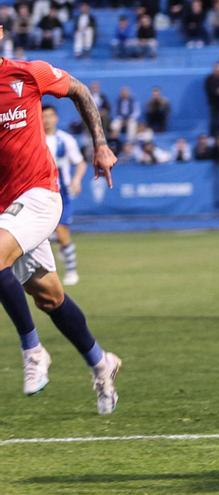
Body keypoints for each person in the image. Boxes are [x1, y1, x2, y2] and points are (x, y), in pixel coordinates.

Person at [0, 29, 122, 414]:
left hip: (40, 194)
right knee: (50, 297)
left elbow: (80, 91)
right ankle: (102, 364)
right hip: (7, 210)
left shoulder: (28, 74)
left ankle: (33, 350)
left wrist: (99, 144)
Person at [43, 106, 85, 286]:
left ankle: (71, 270)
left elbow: (80, 162)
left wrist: (76, 180)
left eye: (50, 116)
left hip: (62, 194)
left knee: (61, 232)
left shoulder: (66, 140)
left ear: (57, 118)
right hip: (39, 193)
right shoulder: (35, 139)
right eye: (43, 116)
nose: (47, 120)